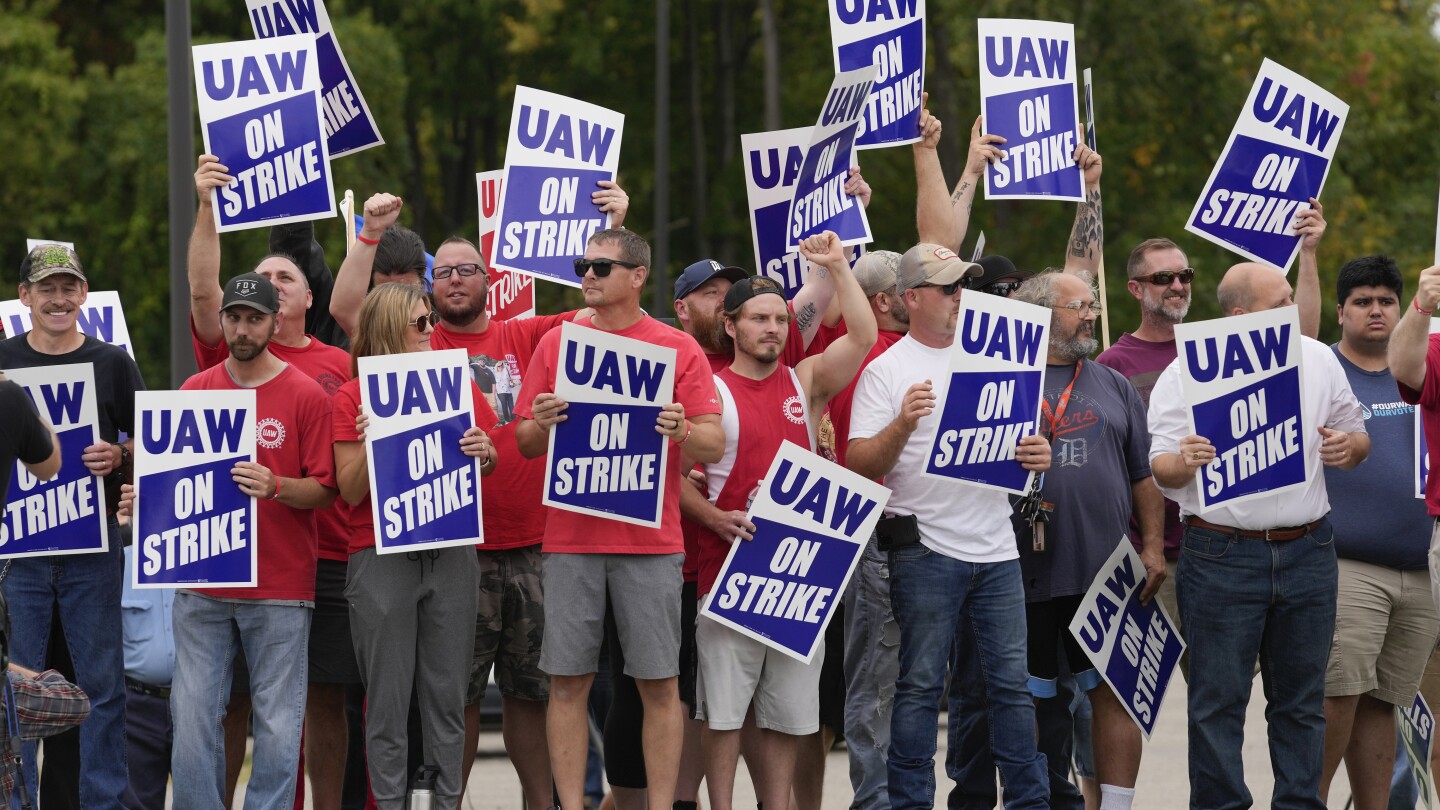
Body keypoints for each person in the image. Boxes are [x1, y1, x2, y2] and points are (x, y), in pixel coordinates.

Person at [515, 228, 724, 810]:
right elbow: (526, 443)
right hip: (570, 540)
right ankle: (572, 805)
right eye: (583, 264)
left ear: (637, 277)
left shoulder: (676, 349)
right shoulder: (557, 343)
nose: (587, 274)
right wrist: (542, 418)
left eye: (601, 267)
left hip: (651, 544)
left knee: (659, 684)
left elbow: (712, 440)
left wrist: (682, 428)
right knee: (567, 683)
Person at [1149, 262, 1369, 809]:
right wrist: (1185, 460)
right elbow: (1160, 469)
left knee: (1300, 703)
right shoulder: (1186, 373)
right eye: (1280, 302)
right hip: (1221, 553)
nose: (1293, 311)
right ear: (1241, 315)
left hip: (1308, 549)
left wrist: (1349, 448)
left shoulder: (1317, 358)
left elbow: (1357, 434)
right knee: (1216, 702)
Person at [846, 243, 1052, 810]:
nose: (960, 296)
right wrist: (903, 425)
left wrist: (1037, 455)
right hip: (924, 550)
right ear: (912, 298)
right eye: (947, 288)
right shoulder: (888, 370)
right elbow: (859, 462)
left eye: (964, 285)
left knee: (1011, 686)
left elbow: (1021, 450)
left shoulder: (996, 356)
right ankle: (911, 802)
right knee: (918, 685)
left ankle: (1028, 802)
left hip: (996, 547)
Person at [682, 231, 875, 810]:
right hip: (728, 579)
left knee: (789, 717)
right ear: (732, 326)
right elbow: (671, 482)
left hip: (799, 584)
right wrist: (715, 518)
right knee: (721, 713)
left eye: (778, 319)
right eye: (758, 319)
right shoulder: (708, 391)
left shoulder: (804, 381)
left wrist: (839, 265)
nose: (771, 328)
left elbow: (864, 336)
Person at [190, 154, 359, 809]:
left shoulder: (339, 363)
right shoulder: (230, 351)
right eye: (259, 278)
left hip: (328, 553)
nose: (270, 284)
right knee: (233, 702)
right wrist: (206, 205)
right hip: (235, 560)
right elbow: (204, 292)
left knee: (322, 699)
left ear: (307, 297)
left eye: (284, 275)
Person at [423, 234, 593, 809]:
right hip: (456, 549)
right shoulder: (418, 347)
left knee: (533, 693)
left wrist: (613, 222)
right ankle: (451, 801)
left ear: (489, 279)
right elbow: (355, 317)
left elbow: (602, 307)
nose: (453, 280)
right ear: (430, 286)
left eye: (466, 270)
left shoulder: (526, 336)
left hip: (535, 547)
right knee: (459, 695)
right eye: (442, 272)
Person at [167, 272, 339, 809]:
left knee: (280, 722)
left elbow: (326, 491)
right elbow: (170, 485)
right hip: (203, 584)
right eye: (234, 318)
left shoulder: (306, 394)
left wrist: (277, 485)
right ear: (222, 322)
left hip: (282, 586)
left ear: (276, 320)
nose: (242, 329)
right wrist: (143, 502)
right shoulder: (195, 391)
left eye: (254, 318)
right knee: (192, 715)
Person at [332, 283, 499, 809]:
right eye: (421, 323)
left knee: (447, 698)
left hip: (450, 552)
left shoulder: (456, 381)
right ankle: (389, 802)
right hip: (379, 556)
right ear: (387, 330)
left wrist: (485, 450)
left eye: (432, 321)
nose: (433, 331)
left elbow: (487, 459)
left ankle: (445, 804)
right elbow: (350, 489)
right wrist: (368, 439)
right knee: (385, 701)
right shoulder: (352, 396)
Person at [1011, 271, 1166, 810]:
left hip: (1102, 571)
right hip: (1019, 571)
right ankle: (1036, 800)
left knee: (1112, 693)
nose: (1092, 315)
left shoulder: (1111, 383)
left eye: (1092, 305)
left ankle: (1117, 806)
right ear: (1041, 316)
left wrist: (1151, 547)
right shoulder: (1005, 380)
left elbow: (1141, 476)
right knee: (1030, 699)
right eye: (1079, 306)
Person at [0, 243, 143, 809]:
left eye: (68, 288)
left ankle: (101, 803)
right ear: (25, 297)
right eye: (46, 289)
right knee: (15, 693)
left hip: (95, 548)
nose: (58, 299)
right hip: (18, 553)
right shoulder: (3, 362)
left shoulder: (112, 362)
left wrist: (120, 457)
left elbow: (150, 443)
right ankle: (17, 802)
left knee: (102, 689)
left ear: (84, 294)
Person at [1316, 256, 1439, 810]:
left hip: (1421, 567)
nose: (1375, 310)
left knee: (1384, 702)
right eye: (1362, 301)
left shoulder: (1419, 367)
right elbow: (1296, 328)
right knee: (1337, 694)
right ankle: (1305, 800)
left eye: (1386, 300)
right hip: (1349, 564)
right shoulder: (1321, 368)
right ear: (1340, 312)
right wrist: (1312, 254)